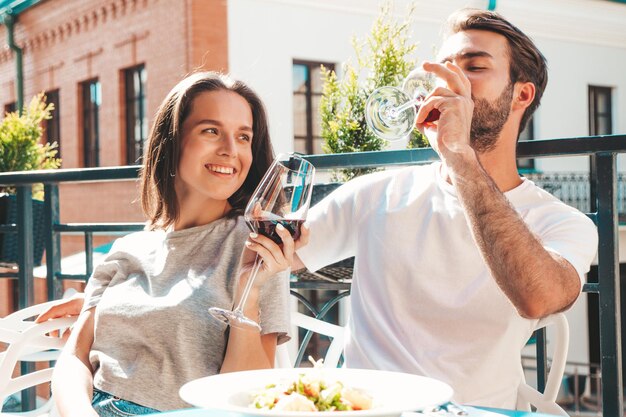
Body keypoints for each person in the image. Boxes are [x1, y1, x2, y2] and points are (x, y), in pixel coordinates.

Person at [293, 8, 597, 409]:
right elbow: (270, 258)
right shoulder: (375, 194)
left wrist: (459, 155)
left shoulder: (562, 221)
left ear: (522, 95)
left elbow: (537, 298)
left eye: (473, 67)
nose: (450, 84)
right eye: (444, 70)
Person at [49, 71, 301, 416]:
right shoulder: (127, 249)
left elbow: (244, 396)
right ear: (173, 140)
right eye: (211, 131)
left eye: (243, 137)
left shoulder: (257, 246)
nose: (230, 150)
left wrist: (249, 292)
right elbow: (74, 358)